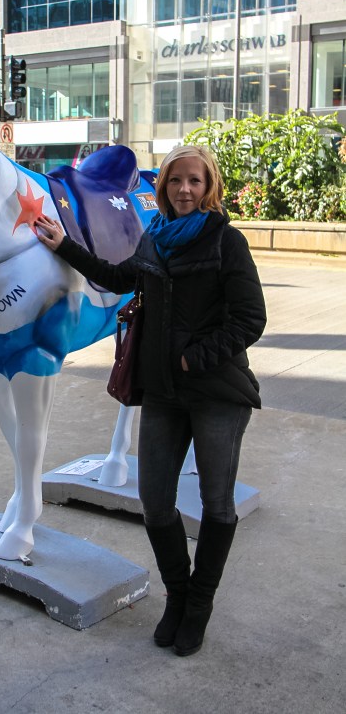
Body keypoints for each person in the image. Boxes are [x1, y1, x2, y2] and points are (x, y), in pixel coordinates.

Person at [35, 144, 267, 657]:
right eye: (176, 180)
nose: (185, 189)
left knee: (216, 505)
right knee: (155, 504)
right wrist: (62, 245)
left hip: (215, 394)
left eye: (196, 181)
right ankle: (177, 595)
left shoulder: (226, 241)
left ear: (210, 189)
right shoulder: (154, 238)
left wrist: (192, 359)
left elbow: (250, 319)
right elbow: (118, 279)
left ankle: (199, 605)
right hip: (163, 393)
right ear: (162, 187)